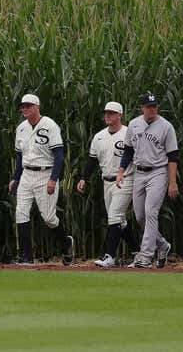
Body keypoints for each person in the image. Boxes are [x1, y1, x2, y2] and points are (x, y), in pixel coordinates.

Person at [8, 94, 73, 265]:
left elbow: (59, 155)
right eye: (22, 107)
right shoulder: (21, 128)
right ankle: (26, 257)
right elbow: (20, 156)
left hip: (46, 173)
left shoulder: (49, 125)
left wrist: (54, 179)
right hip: (27, 174)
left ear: (37, 106)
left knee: (49, 218)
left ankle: (66, 243)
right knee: (21, 213)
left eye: (28, 106)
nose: (25, 109)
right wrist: (15, 178)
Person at [116, 93, 178, 268]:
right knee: (140, 215)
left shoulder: (166, 127)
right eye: (148, 106)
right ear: (141, 108)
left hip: (158, 172)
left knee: (151, 212)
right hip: (139, 172)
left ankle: (145, 256)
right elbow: (128, 151)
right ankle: (162, 245)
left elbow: (173, 156)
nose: (152, 109)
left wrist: (172, 182)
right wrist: (120, 172)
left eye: (154, 106)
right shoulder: (134, 124)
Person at [77, 101, 140, 268]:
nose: (108, 116)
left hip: (126, 179)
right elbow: (92, 160)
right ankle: (137, 252)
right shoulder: (99, 136)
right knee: (121, 221)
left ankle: (109, 256)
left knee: (114, 215)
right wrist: (84, 178)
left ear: (120, 115)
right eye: (106, 113)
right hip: (107, 181)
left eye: (112, 113)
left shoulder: (128, 133)